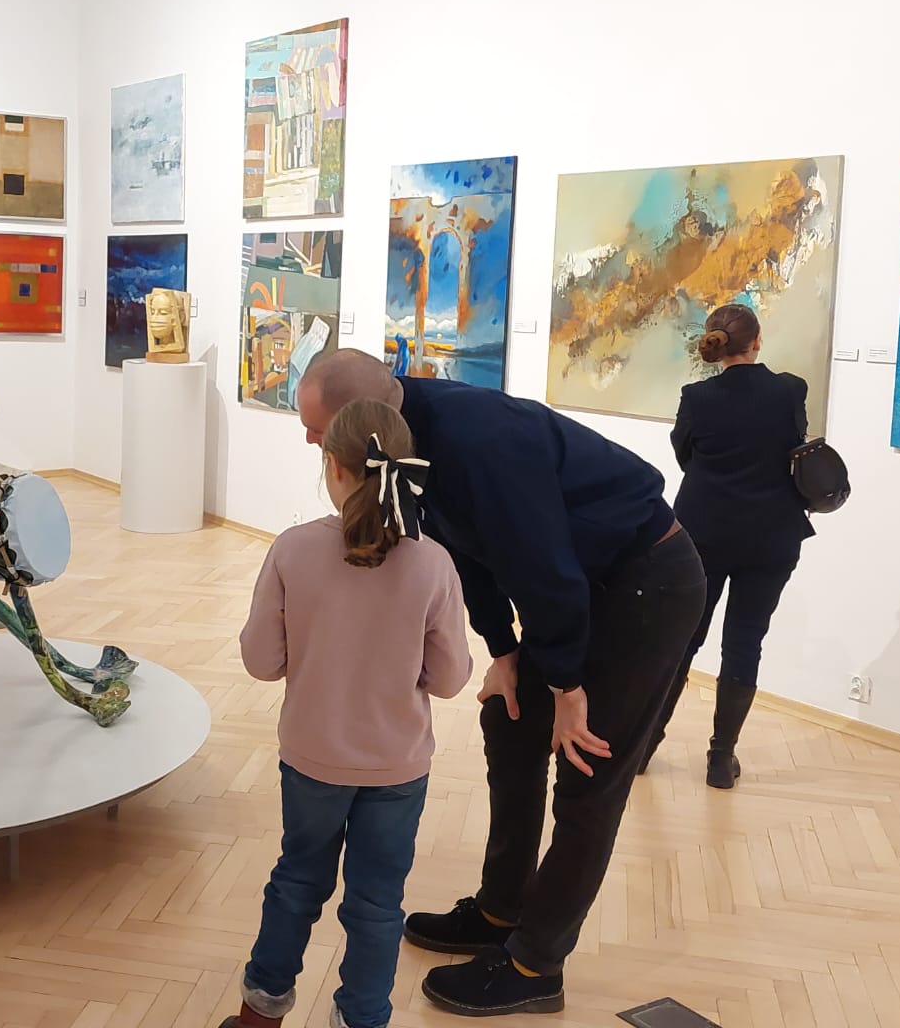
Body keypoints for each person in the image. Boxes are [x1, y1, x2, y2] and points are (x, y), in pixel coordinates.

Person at [295, 349, 707, 1018]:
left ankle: (535, 964)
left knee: (588, 769)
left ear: (358, 420)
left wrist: (569, 692)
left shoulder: (481, 443)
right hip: (577, 586)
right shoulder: (405, 438)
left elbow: (544, 568)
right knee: (510, 722)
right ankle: (500, 909)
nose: (311, 442)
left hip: (643, 583)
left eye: (316, 430)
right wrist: (505, 651)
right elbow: (470, 550)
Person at [225, 398, 471, 1028]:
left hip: (312, 760)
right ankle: (362, 1019)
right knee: (378, 905)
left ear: (332, 465)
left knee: (296, 883)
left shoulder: (292, 550)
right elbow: (450, 680)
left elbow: (260, 662)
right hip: (398, 768)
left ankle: (261, 1013)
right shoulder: (433, 562)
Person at [640, 303, 813, 788]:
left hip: (704, 534)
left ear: (715, 345)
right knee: (745, 641)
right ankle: (720, 760)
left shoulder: (697, 397)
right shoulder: (790, 390)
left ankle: (644, 747)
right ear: (756, 342)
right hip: (772, 537)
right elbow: (794, 444)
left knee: (683, 638)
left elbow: (685, 455)